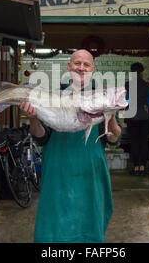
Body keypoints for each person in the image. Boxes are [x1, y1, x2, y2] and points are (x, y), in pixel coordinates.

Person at [19, 49, 122, 243]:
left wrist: (111, 114)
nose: (81, 68)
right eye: (77, 63)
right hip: (58, 169)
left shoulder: (102, 95)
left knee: (90, 219)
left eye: (86, 65)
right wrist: (33, 119)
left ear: (93, 69)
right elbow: (41, 137)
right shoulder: (53, 95)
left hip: (91, 169)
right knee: (54, 220)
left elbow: (114, 138)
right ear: (69, 67)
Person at [125, 62, 149, 176]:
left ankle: (136, 167)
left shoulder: (127, 85)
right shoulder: (147, 85)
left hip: (131, 118)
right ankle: (142, 167)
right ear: (142, 72)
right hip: (145, 118)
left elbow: (124, 102)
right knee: (143, 142)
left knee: (134, 142)